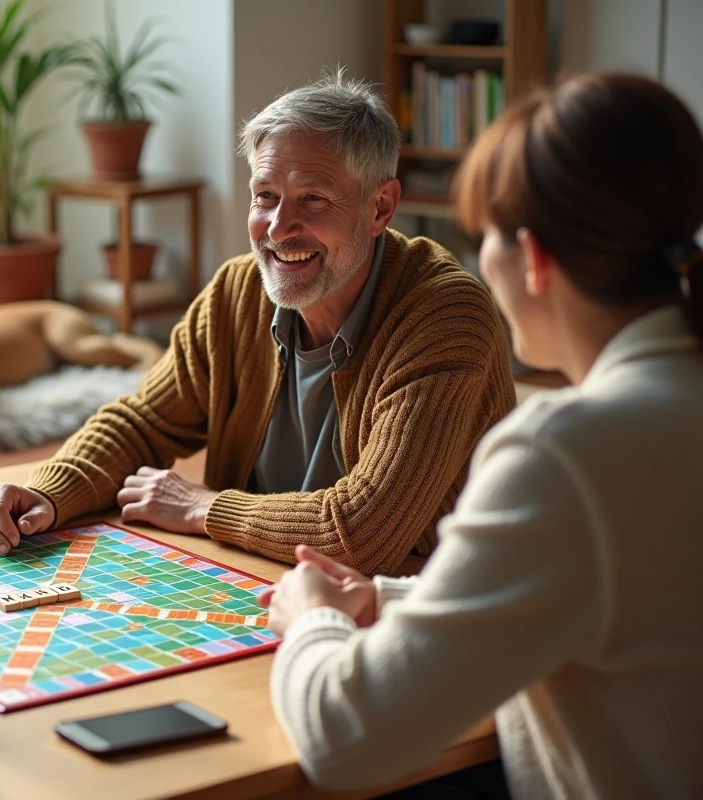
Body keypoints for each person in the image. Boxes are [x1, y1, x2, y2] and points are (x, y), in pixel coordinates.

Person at [262, 72, 703, 799]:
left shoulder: (565, 453)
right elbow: (616, 592)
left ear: (531, 258)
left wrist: (311, 620)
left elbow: (345, 742)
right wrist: (390, 600)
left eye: (484, 238)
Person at [0, 69, 515, 573]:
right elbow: (144, 423)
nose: (279, 229)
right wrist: (48, 490)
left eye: (313, 199)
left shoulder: (445, 315)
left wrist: (204, 508)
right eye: (265, 197)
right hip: (262, 578)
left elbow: (364, 533)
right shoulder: (237, 291)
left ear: (380, 208)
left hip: (418, 612)